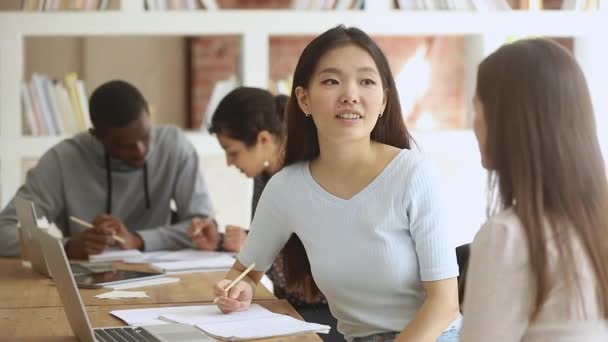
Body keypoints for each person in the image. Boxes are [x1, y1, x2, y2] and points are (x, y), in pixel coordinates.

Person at [212, 25, 461, 342]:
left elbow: (444, 303)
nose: (350, 96)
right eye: (331, 81)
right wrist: (238, 291)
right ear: (303, 99)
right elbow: (243, 273)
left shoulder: (413, 174)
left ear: (383, 100)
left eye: (366, 81)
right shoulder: (287, 188)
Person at [461, 38, 608, 341]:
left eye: (477, 108)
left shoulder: (508, 237)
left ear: (506, 121)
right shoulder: (598, 228)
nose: (474, 123)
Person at [0, 80, 220, 259]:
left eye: (145, 136)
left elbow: (203, 228)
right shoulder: (62, 160)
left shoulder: (174, 145)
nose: (141, 150)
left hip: (162, 273)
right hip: (86, 278)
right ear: (96, 136)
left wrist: (138, 239)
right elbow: (4, 232)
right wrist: (66, 248)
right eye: (124, 145)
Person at [189, 86, 341, 341]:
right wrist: (221, 242)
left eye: (232, 151)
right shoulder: (264, 177)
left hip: (327, 312)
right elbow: (267, 244)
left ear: (263, 140)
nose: (229, 162)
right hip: (286, 308)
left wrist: (249, 245)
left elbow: (319, 263)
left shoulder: (313, 175)